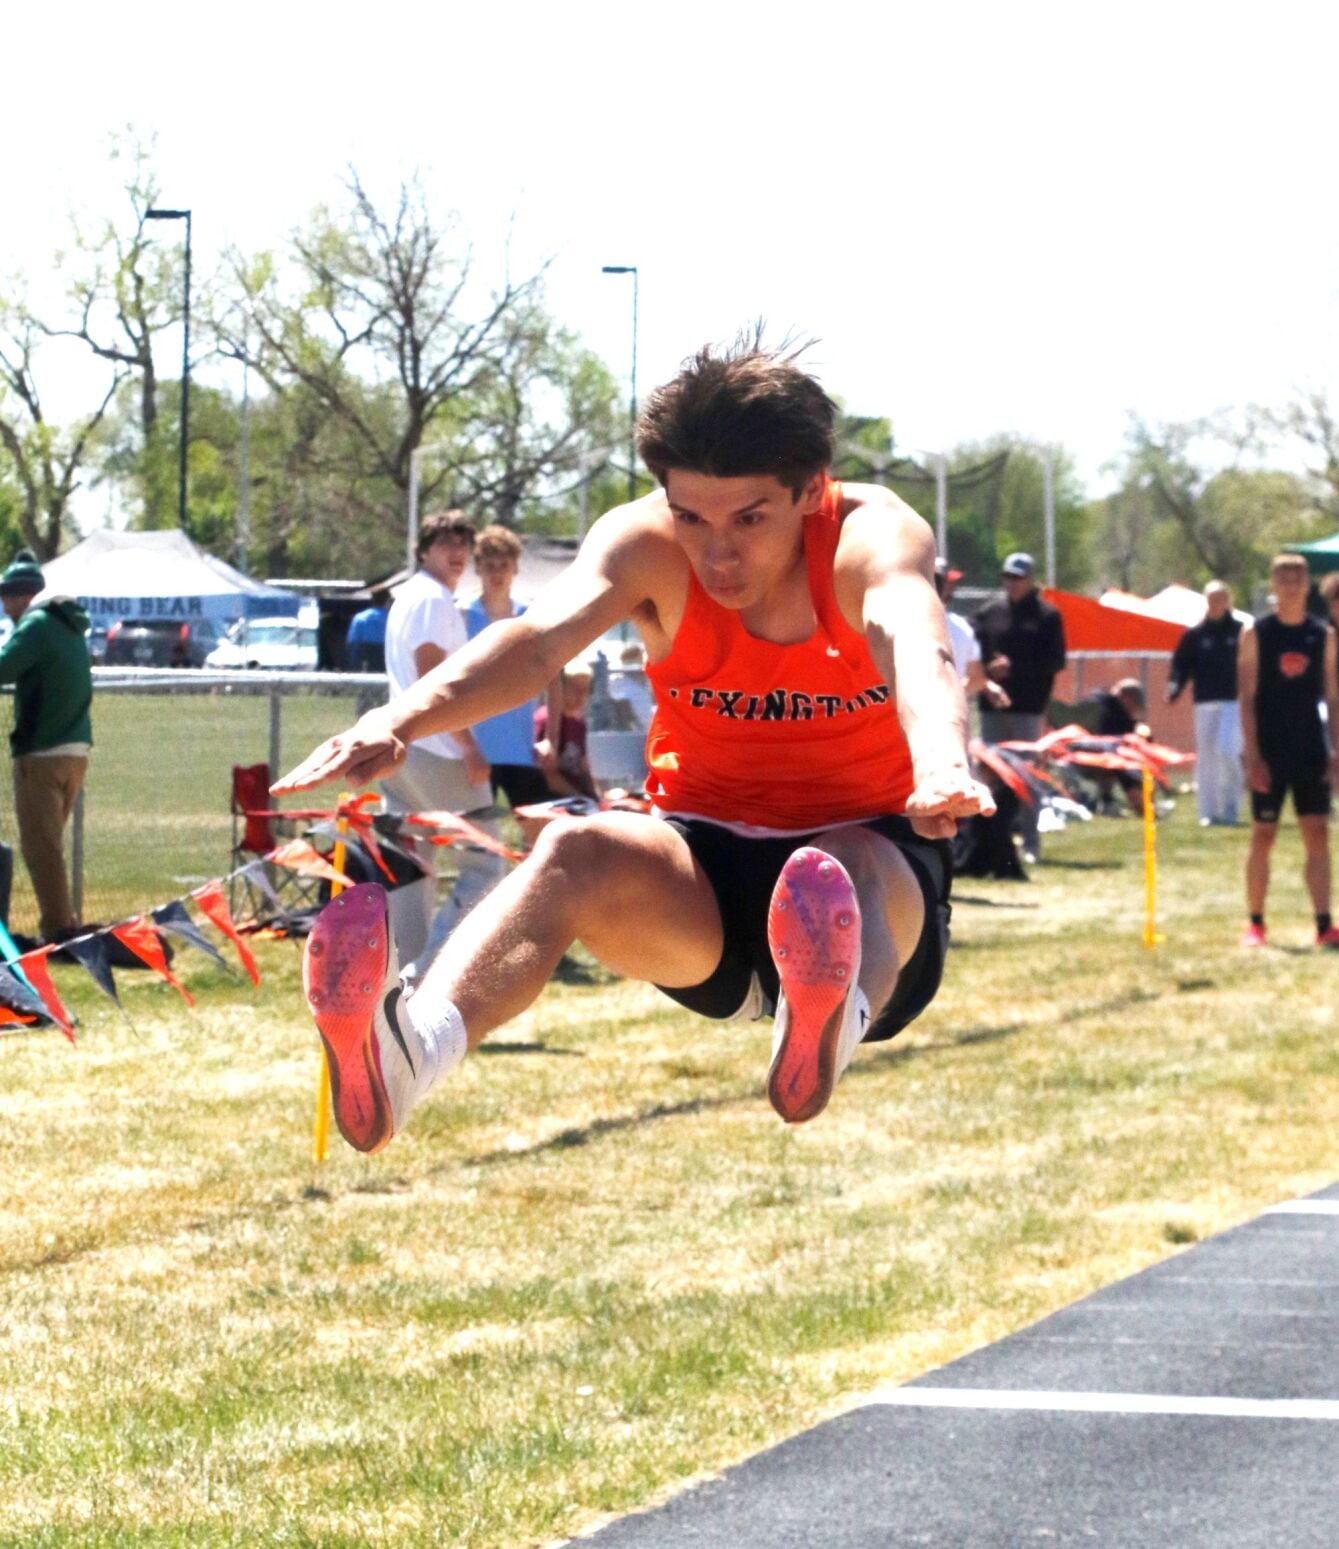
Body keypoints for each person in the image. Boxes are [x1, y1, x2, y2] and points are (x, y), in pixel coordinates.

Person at [275, 340, 993, 1155]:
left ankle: (830, 1020)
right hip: (702, 874)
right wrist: (398, 719)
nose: (717, 554)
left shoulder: (872, 535)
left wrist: (940, 760)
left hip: (870, 869)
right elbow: (537, 641)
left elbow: (913, 637)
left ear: (810, 490)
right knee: (574, 848)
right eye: (692, 517)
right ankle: (415, 1051)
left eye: (749, 518)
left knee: (836, 863)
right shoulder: (643, 543)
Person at [381, 510, 494, 976]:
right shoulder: (431, 599)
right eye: (447, 543)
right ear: (424, 550)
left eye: (463, 544)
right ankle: (432, 971)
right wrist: (468, 746)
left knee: (411, 870)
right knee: (487, 865)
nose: (458, 552)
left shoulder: (410, 595)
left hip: (402, 750)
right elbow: (432, 679)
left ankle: (400, 983)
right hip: (438, 752)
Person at [1238, 553, 1339, 949]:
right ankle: (1256, 923)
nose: (1292, 585)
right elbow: (1247, 698)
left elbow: (1332, 697)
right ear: (1273, 585)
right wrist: (1252, 753)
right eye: (1284, 578)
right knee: (1263, 834)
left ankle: (1324, 924)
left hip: (1310, 747)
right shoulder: (1257, 633)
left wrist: (1335, 749)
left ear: (1308, 585)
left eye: (1298, 578)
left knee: (1317, 833)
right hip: (1270, 746)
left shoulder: (1323, 635)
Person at [0, 550, 93, 943]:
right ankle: (63, 923)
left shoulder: (36, 625)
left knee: (41, 850)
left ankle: (60, 933)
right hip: (75, 751)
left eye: (7, 597)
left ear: (25, 596)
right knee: (49, 847)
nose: (5, 606)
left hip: (42, 753)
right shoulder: (69, 625)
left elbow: (3, 667)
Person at [972, 552, 1066, 861]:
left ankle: (1030, 843)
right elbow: (973, 647)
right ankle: (989, 844)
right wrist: (988, 667)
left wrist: (1015, 666)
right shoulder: (990, 612)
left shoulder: (1047, 615)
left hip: (1027, 707)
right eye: (1008, 576)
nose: (1012, 583)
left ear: (1031, 579)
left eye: (1018, 577)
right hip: (992, 708)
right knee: (990, 775)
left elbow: (1056, 661)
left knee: (1026, 776)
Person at [463, 526, 551, 810]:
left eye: (504, 565)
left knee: (539, 827)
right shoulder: (462, 615)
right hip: (476, 748)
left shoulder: (530, 615)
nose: (497, 573)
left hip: (521, 747)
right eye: (489, 565)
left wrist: (550, 738)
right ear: (477, 568)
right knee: (469, 831)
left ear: (516, 568)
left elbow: (554, 678)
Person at [1167, 580, 1243, 826]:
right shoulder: (1196, 634)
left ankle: (1231, 807)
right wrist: (1174, 689)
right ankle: (1208, 812)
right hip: (1204, 702)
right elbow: (1181, 666)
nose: (1215, 603)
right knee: (1207, 756)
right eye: (1211, 599)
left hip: (1233, 702)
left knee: (1227, 750)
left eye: (1220, 598)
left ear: (1228, 601)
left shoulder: (1240, 632)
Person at [534, 661, 598, 800]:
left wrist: (597, 799)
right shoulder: (545, 720)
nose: (582, 695)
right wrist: (582, 798)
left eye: (586, 690)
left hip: (576, 797)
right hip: (552, 798)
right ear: (560, 688)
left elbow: (583, 768)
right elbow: (547, 775)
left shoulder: (578, 724)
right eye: (575, 688)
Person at [1088, 677, 1150, 816]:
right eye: (1134, 702)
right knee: (1118, 761)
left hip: (1084, 753)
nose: (1133, 708)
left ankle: (1106, 799)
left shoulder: (1104, 705)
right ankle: (1109, 800)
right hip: (1087, 756)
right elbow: (1114, 749)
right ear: (1126, 697)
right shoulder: (1111, 714)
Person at [344, 590, 391, 674]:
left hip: (366, 662)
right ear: (387, 600)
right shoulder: (392, 619)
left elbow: (352, 645)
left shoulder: (360, 618)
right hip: (386, 662)